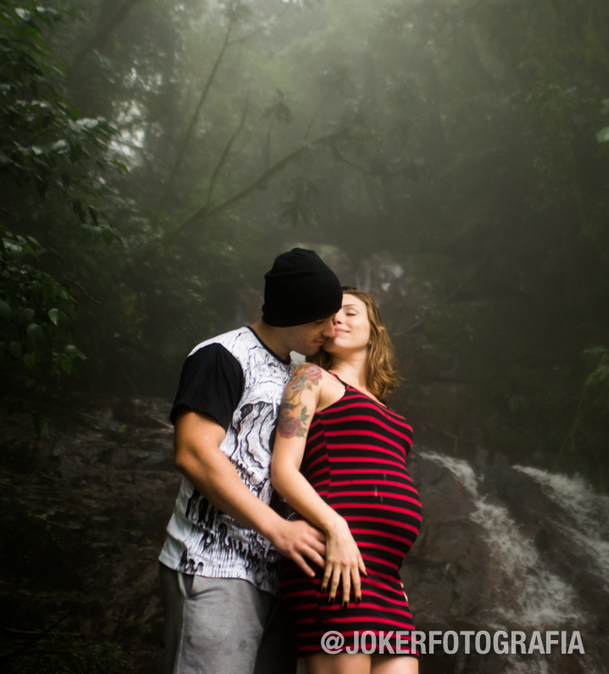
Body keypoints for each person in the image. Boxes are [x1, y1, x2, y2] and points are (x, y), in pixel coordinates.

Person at [158, 248, 343, 674]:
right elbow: (193, 452)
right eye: (321, 318)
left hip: (279, 580)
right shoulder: (222, 355)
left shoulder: (298, 377)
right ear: (292, 312)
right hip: (213, 566)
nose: (331, 330)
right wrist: (277, 527)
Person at [271, 287, 422, 674]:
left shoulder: (393, 416)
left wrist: (392, 566)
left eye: (351, 312)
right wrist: (335, 528)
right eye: (330, 314)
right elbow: (283, 471)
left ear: (375, 329)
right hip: (336, 561)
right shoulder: (310, 378)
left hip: (385, 577)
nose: (338, 318)